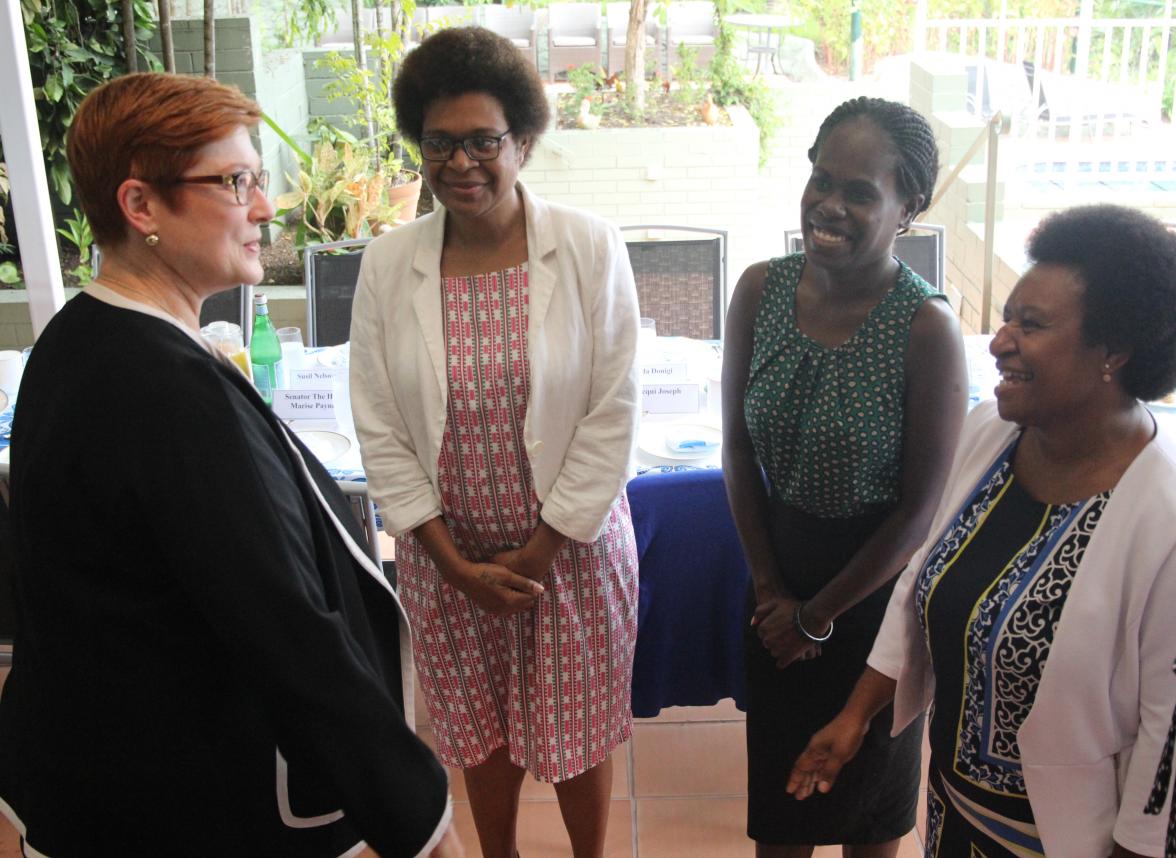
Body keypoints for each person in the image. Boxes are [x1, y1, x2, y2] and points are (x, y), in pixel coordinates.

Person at [0, 73, 461, 858]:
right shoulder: (166, 393)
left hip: (98, 781)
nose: (264, 207)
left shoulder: (77, 339)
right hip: (192, 803)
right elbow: (289, 633)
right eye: (235, 181)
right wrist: (424, 828)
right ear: (141, 206)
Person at [787, 204, 1176, 858]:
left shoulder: (1160, 516)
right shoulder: (989, 437)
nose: (1000, 341)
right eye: (1006, 318)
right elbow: (918, 585)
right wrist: (856, 716)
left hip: (1065, 838)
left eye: (1032, 325)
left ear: (1113, 351)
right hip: (953, 810)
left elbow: (1169, 733)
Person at [348, 26, 641, 858]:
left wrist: (540, 550)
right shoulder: (389, 261)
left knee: (578, 732)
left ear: (523, 140)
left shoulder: (587, 247)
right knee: (478, 733)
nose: (460, 164)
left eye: (483, 141)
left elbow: (612, 409)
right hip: (450, 560)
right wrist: (449, 562)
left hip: (571, 554)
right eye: (439, 143)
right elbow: (378, 418)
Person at [721, 96, 967, 857]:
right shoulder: (760, 289)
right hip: (777, 581)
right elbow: (735, 448)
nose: (829, 206)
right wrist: (772, 595)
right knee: (783, 815)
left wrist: (816, 616)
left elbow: (919, 514)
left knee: (867, 816)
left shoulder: (927, 329)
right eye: (821, 181)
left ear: (908, 207)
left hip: (875, 606)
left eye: (860, 192)